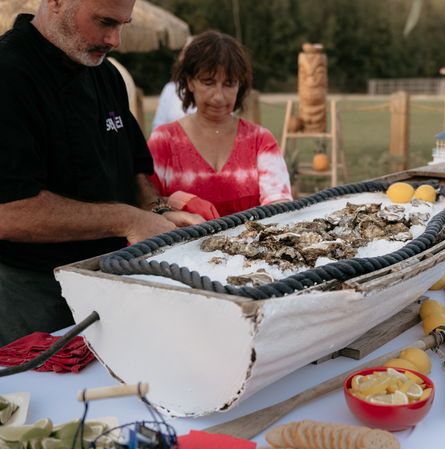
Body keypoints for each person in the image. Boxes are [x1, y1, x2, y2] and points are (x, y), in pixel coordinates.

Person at [0, 0, 203, 347]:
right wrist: (126, 219)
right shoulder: (8, 73)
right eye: (105, 22)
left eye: (123, 24)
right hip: (32, 293)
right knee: (43, 396)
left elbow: (134, 166)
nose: (115, 39)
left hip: (111, 279)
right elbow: (8, 211)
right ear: (56, 2)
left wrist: (156, 210)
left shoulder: (106, 74)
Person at [147, 30, 293, 219]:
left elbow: (279, 208)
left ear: (240, 85)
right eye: (208, 83)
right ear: (190, 82)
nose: (218, 96)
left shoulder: (260, 141)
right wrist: (171, 205)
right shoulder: (163, 142)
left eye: (229, 84)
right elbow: (145, 207)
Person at [151, 39, 196, 130]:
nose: (185, 57)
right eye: (184, 51)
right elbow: (157, 127)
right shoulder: (170, 89)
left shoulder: (212, 91)